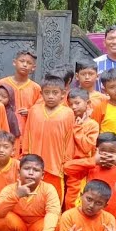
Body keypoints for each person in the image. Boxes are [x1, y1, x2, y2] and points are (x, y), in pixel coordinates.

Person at [0, 154, 61, 231]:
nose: (31, 173)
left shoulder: (48, 189)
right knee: (2, 218)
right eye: (27, 169)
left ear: (42, 175)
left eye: (36, 170)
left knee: (59, 221)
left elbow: (53, 212)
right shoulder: (10, 189)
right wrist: (16, 195)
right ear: (18, 173)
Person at [20, 74, 75, 203]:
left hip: (55, 165)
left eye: (55, 93)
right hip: (33, 163)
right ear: (41, 93)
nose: (50, 96)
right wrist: (25, 155)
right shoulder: (34, 110)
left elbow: (69, 140)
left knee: (53, 200)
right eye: (47, 92)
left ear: (63, 94)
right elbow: (27, 133)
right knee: (31, 197)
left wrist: (66, 161)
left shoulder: (68, 113)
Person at [0, 49, 40, 127]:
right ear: (14, 62)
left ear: (33, 67)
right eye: (22, 61)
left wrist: (30, 112)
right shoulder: (3, 83)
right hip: (5, 126)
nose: (25, 65)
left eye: (29, 63)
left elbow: (40, 109)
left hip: (26, 128)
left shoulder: (36, 88)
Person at [69, 89, 100, 160]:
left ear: (88, 103)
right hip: (69, 161)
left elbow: (87, 148)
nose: (73, 107)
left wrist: (77, 127)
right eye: (70, 104)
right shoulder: (68, 121)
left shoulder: (92, 125)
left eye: (77, 103)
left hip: (84, 162)